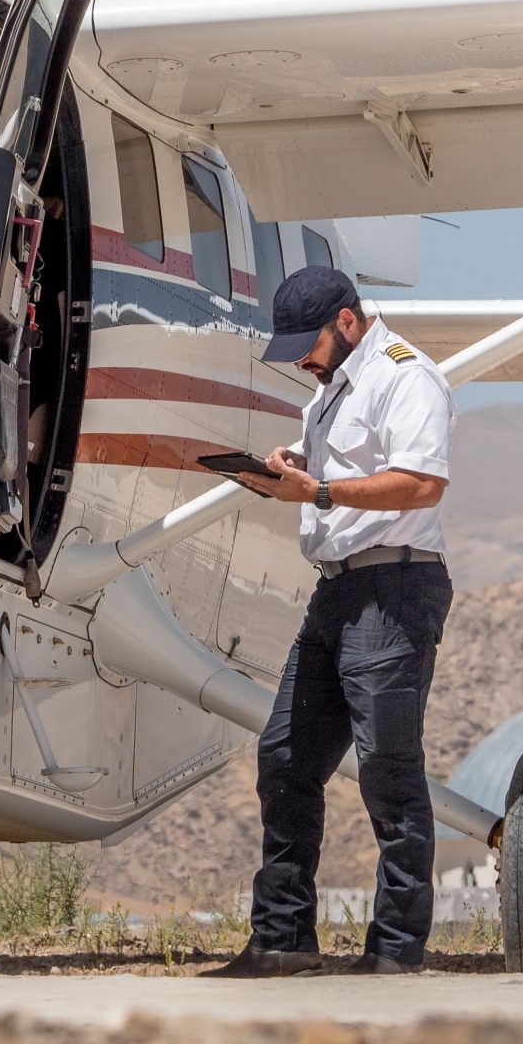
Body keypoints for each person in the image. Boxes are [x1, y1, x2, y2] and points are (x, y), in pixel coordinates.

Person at [206, 263, 456, 977]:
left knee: (388, 770)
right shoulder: (331, 389)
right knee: (286, 756)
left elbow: (422, 482)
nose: (302, 362)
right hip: (337, 589)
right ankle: (282, 940)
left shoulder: (407, 375)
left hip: (394, 587)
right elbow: (338, 474)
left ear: (347, 321)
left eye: (307, 346)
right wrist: (294, 465)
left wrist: (316, 488)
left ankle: (396, 949)